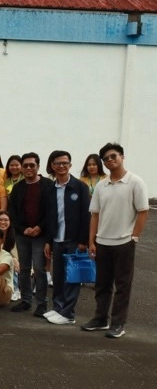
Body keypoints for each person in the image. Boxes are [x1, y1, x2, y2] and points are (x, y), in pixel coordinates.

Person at [82, 143, 149, 339]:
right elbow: (95, 214)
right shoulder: (102, 185)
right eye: (106, 159)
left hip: (124, 243)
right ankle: (100, 318)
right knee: (102, 284)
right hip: (102, 242)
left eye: (113, 157)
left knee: (122, 285)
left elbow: (143, 211)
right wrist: (91, 241)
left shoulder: (135, 182)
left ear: (122, 157)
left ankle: (118, 323)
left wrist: (134, 236)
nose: (110, 161)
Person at [42, 150, 91, 326]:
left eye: (65, 163)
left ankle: (68, 313)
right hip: (56, 238)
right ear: (52, 166)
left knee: (72, 277)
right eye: (58, 163)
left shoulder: (80, 187)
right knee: (59, 275)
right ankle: (58, 308)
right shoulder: (50, 189)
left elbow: (86, 216)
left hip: (74, 239)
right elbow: (48, 216)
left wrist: (83, 241)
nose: (61, 166)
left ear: (70, 165)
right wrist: (48, 240)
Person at [7, 152, 54, 317]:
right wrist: (22, 228)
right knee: (24, 268)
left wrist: (40, 227)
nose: (28, 168)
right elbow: (12, 211)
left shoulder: (48, 185)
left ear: (38, 167)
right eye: (25, 165)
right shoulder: (18, 188)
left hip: (41, 235)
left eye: (31, 165)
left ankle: (42, 303)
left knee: (40, 270)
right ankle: (26, 300)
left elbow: (51, 211)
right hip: (22, 234)